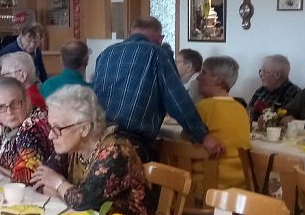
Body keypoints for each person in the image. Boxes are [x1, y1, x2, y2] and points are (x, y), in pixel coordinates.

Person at [93, 16, 224, 162]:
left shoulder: (106, 54)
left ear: (130, 33)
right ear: (160, 38)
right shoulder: (157, 53)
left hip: (98, 141)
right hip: (131, 146)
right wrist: (203, 135)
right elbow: (177, 100)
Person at [30, 85, 152, 215]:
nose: (51, 135)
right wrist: (66, 194)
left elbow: (82, 202)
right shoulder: (71, 145)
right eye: (50, 127)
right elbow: (38, 180)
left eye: (57, 128)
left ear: (84, 128)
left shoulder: (115, 151)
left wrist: (57, 183)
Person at [195, 56, 251, 190]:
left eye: (203, 73)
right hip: (239, 186)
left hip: (206, 185)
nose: (197, 78)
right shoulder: (241, 109)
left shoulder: (203, 107)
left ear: (218, 79)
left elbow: (185, 143)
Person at [247, 54, 301, 120]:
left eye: (264, 71)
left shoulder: (294, 93)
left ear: (277, 74)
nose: (261, 74)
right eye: (260, 71)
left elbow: (290, 122)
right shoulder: (260, 91)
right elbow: (248, 113)